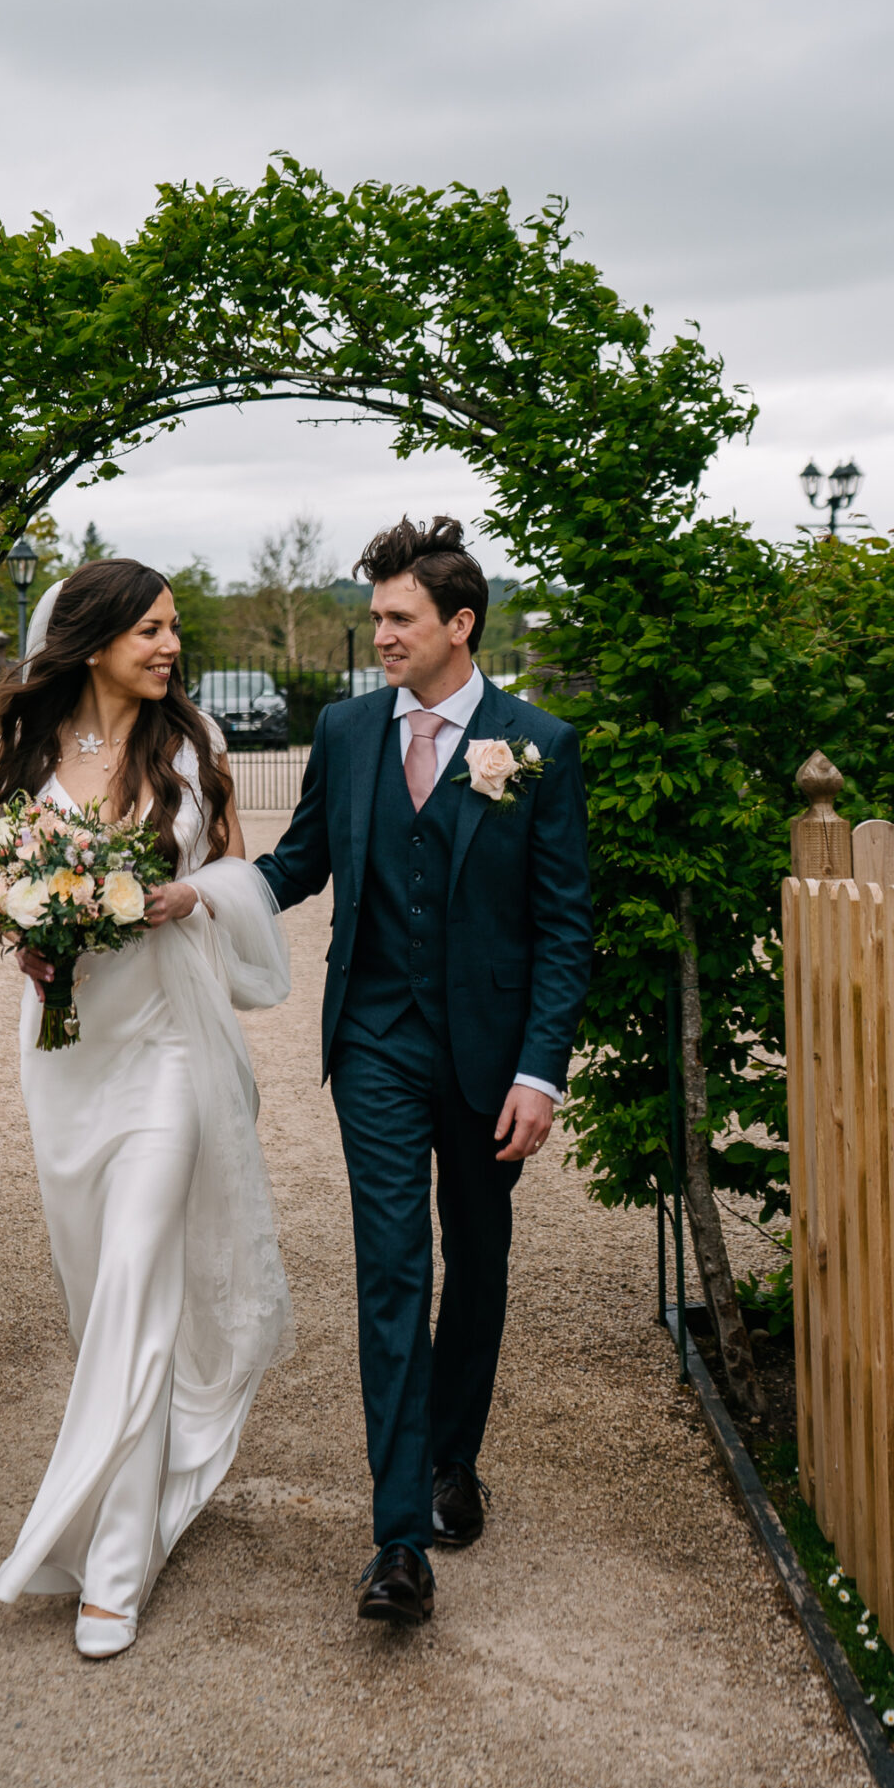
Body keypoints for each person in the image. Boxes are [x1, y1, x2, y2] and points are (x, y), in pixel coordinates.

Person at [255, 515, 591, 1626]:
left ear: (460, 623)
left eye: (399, 617)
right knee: (393, 1267)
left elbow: (562, 926)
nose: (380, 634)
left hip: (492, 1061)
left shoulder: (535, 741)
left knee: (477, 1255)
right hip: (376, 1045)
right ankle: (399, 1538)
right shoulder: (348, 731)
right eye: (375, 616)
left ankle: (456, 1454)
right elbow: (301, 860)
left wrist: (541, 1074)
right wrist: (190, 897)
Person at [0, 559, 292, 1660]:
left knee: (142, 1275)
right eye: (150, 628)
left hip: (165, 1048)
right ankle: (142, 1487)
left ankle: (111, 1563)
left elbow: (240, 877)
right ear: (93, 637)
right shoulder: (24, 755)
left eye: (174, 629)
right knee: (100, 1284)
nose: (168, 646)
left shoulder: (192, 749)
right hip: (65, 1053)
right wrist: (24, 930)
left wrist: (187, 893)